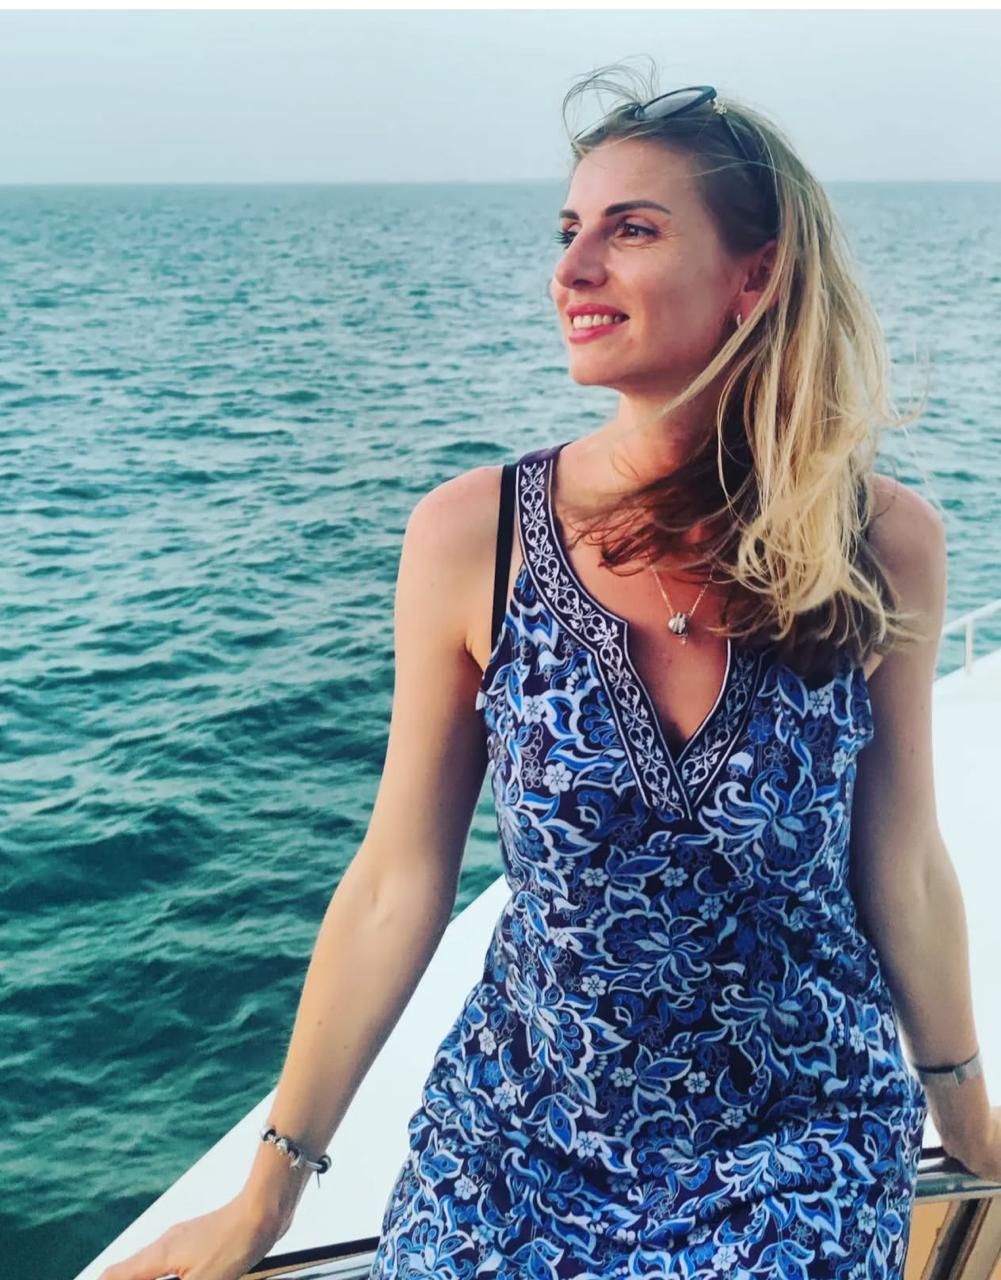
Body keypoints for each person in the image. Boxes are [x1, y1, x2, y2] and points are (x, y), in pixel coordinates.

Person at [101, 65, 1000, 1280]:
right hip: (518, 1137)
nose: (569, 269)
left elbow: (900, 859)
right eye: (567, 230)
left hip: (792, 1137)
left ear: (754, 274)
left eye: (629, 229)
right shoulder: (476, 537)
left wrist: (967, 1123)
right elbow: (396, 880)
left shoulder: (878, 544)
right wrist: (264, 1198)